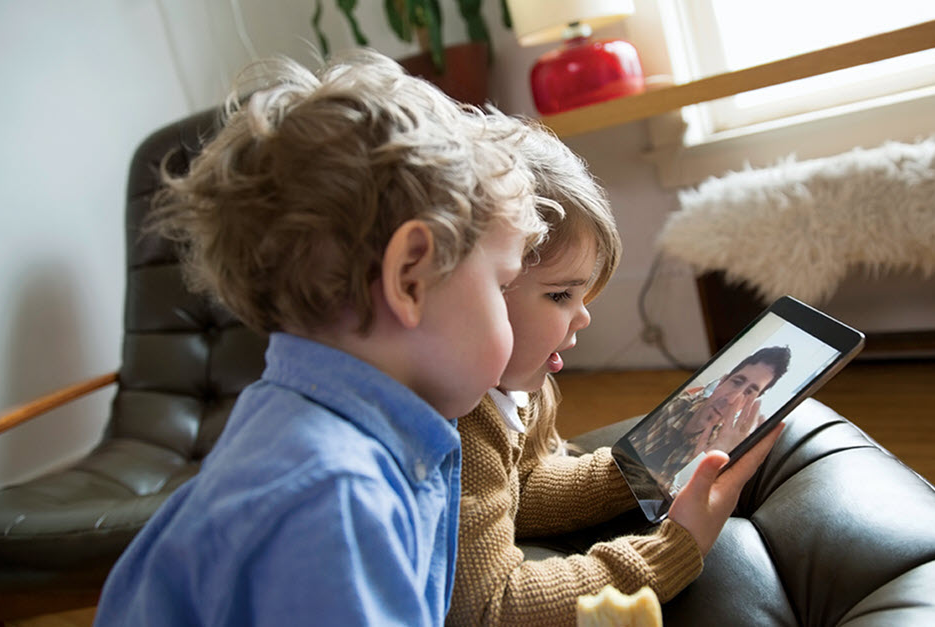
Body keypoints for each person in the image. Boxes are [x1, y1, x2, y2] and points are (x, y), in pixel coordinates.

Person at [94, 50, 550, 626]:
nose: (509, 318)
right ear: (410, 276)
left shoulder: (289, 421)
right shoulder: (336, 497)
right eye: (502, 285)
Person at [447, 122, 786, 626]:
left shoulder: (518, 386)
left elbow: (520, 488)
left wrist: (654, 465)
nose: (584, 316)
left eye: (586, 294)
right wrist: (678, 545)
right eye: (561, 295)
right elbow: (494, 607)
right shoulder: (461, 421)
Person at [630, 346, 792, 491]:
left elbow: (666, 505)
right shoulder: (679, 403)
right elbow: (629, 453)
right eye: (736, 382)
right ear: (722, 382)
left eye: (749, 393)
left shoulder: (717, 451)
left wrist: (702, 468)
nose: (731, 399)